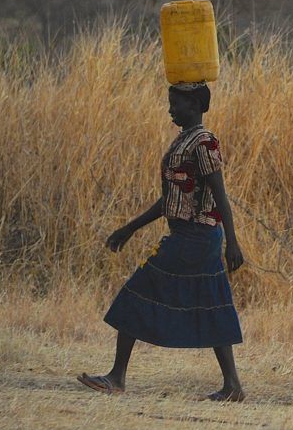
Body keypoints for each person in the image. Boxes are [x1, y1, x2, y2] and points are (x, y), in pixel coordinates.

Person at [77, 81, 247, 402]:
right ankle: (232, 386)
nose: (170, 109)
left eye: (176, 103)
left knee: (137, 292)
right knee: (211, 304)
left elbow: (220, 196)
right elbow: (169, 198)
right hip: (194, 237)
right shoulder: (185, 141)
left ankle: (117, 377)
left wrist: (233, 243)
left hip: (195, 237)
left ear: (195, 104)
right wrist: (130, 228)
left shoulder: (204, 143)